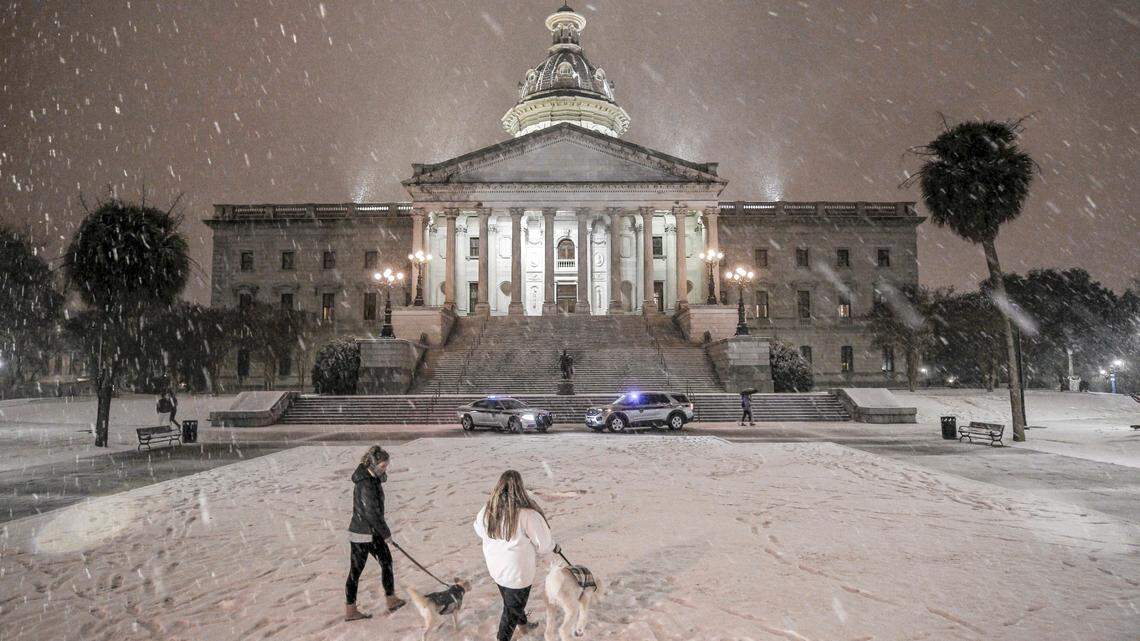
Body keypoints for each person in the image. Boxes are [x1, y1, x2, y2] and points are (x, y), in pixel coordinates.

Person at [474, 470, 556, 641]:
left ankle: (524, 626)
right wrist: (552, 551)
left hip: (496, 569)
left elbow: (479, 530)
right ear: (520, 488)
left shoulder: (487, 510)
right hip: (518, 575)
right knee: (511, 610)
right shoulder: (527, 514)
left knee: (512, 604)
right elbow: (543, 544)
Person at [345, 445, 406, 621]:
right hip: (364, 534)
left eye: (386, 466)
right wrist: (386, 534)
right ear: (372, 464)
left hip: (368, 531)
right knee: (357, 571)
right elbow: (372, 513)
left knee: (385, 563)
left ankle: (391, 599)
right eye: (382, 466)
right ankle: (351, 610)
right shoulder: (366, 483)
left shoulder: (371, 479)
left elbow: (374, 512)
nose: (385, 469)